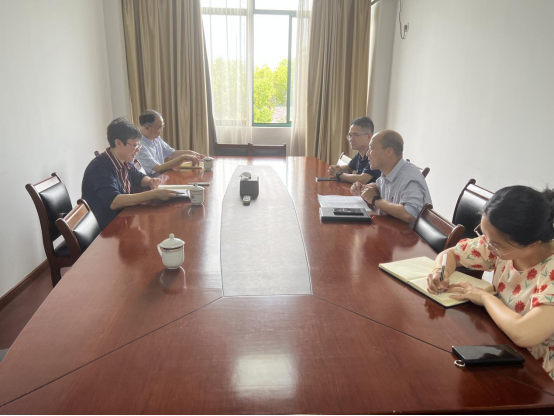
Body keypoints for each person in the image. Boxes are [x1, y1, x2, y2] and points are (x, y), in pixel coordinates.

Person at [427, 186, 554, 380]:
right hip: (502, 343)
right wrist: (439, 271)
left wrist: (485, 298)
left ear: (533, 244)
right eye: (484, 234)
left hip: (538, 373)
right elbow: (451, 254)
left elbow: (525, 334)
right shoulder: (500, 246)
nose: (487, 245)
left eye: (495, 243)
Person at [82, 118, 179, 231]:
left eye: (139, 146)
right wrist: (153, 194)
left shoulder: (125, 161)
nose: (138, 150)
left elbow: (139, 177)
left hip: (124, 219)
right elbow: (115, 201)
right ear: (118, 143)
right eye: (135, 145)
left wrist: (150, 181)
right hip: (107, 229)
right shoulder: (100, 167)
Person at [351, 130, 431, 226]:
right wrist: (365, 188)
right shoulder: (388, 171)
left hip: (405, 234)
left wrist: (375, 200)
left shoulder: (410, 176)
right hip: (391, 228)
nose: (367, 153)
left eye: (371, 148)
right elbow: (379, 186)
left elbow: (409, 213)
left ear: (388, 152)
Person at [136, 109, 205, 175]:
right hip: (150, 180)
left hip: (161, 175)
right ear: (147, 128)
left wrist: (196, 155)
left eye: (162, 127)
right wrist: (183, 157)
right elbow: (158, 168)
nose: (162, 130)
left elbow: (173, 153)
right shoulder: (139, 145)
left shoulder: (156, 139)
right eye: (159, 127)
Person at [327, 117, 381, 184]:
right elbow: (348, 168)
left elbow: (362, 179)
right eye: (350, 135)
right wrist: (336, 168)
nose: (351, 139)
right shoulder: (359, 154)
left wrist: (339, 174)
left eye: (355, 135)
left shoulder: (375, 156)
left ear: (368, 137)